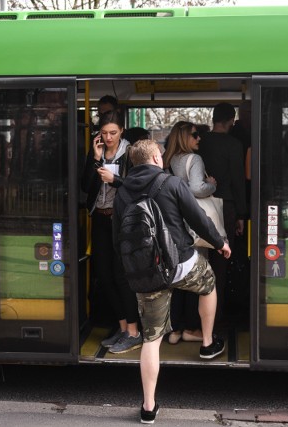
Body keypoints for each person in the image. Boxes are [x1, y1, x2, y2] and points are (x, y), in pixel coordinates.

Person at [112, 139, 231, 424]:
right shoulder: (172, 183)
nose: (163, 158)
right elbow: (199, 218)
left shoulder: (121, 192)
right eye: (161, 155)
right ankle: (207, 342)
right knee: (209, 283)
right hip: (181, 265)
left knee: (151, 339)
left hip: (148, 274)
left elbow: (118, 240)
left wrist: (136, 268)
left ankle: (148, 407)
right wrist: (220, 243)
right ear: (154, 157)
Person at [80, 110, 141, 354]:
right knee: (104, 275)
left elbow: (139, 186)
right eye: (104, 133)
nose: (108, 138)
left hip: (122, 220)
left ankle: (134, 332)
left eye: (113, 133)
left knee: (121, 276)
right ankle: (124, 327)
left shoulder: (132, 153)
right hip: (100, 218)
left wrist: (115, 180)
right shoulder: (98, 152)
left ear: (122, 131)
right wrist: (95, 160)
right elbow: (85, 185)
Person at [162, 121, 217, 344]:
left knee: (176, 278)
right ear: (185, 137)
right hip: (193, 228)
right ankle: (193, 329)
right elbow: (196, 188)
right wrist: (211, 184)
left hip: (173, 226)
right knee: (198, 279)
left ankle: (174, 330)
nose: (199, 139)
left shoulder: (166, 160)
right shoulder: (195, 159)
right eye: (195, 135)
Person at [197, 102, 247, 321]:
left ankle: (194, 319)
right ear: (231, 121)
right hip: (225, 207)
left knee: (197, 261)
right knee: (221, 263)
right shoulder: (234, 144)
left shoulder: (200, 141)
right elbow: (238, 181)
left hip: (197, 206)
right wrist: (242, 215)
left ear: (213, 117)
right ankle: (215, 320)